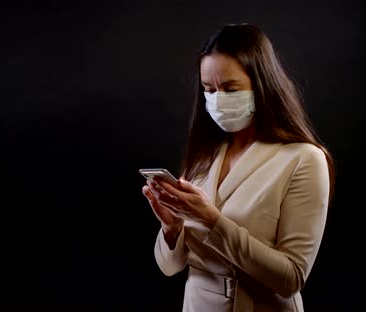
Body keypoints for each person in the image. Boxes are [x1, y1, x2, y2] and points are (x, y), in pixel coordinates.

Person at [141, 23, 335, 312]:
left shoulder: (303, 159)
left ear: (262, 85)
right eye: (209, 89)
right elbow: (170, 268)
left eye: (231, 88)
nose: (218, 98)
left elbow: (291, 277)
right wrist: (171, 228)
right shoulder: (205, 156)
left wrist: (212, 221)